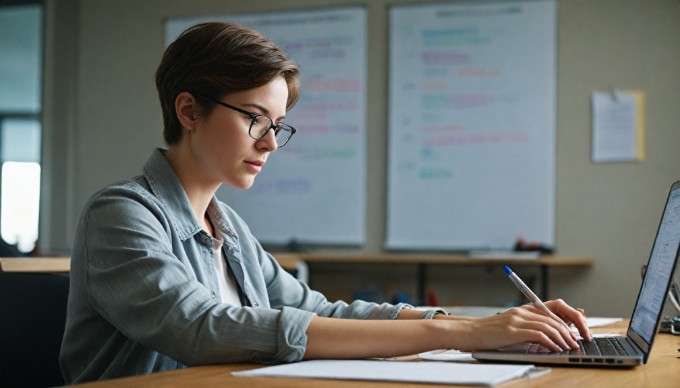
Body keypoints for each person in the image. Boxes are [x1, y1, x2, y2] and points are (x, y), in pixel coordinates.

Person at [59, 21, 591, 384]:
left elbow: (317, 311)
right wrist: (463, 332)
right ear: (189, 110)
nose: (270, 143)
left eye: (277, 126)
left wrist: (467, 321)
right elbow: (202, 328)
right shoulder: (121, 215)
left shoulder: (228, 228)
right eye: (253, 119)